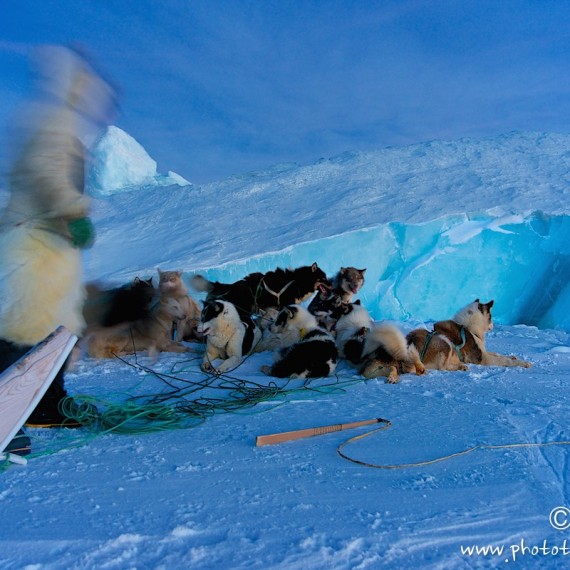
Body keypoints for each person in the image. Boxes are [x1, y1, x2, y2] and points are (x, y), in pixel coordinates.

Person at [0, 45, 116, 430]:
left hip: (48, 246)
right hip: (35, 246)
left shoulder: (58, 121)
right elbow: (45, 170)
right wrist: (72, 210)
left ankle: (47, 403)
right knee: (27, 326)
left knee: (49, 328)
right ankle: (22, 407)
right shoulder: (54, 119)